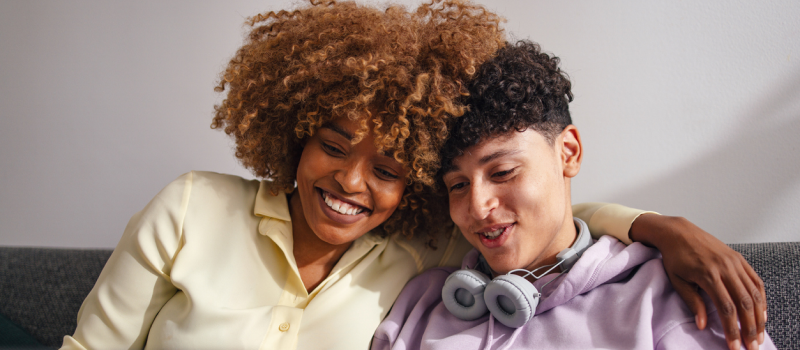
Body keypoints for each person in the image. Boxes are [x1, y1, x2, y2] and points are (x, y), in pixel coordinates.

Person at [61, 1, 765, 349]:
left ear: (413, 188)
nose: (351, 183)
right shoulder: (191, 208)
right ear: (294, 133)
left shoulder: (421, 254)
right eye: (333, 145)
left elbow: (541, 234)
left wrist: (655, 228)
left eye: (391, 168)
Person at [371, 40, 774, 350]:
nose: (478, 208)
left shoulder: (667, 297)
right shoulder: (421, 305)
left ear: (568, 153)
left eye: (503, 172)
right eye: (458, 185)